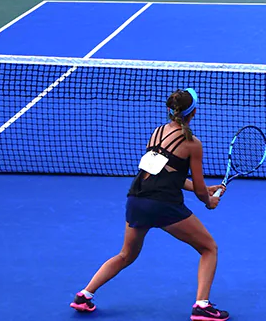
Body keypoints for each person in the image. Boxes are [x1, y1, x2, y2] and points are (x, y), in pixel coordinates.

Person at [69, 88, 230, 321]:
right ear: (192, 113)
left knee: (126, 255)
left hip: (136, 200)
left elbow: (163, 173)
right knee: (209, 249)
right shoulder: (193, 144)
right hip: (163, 205)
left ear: (171, 111)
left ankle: (84, 295)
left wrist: (206, 190)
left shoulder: (157, 132)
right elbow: (197, 189)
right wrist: (209, 200)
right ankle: (202, 306)